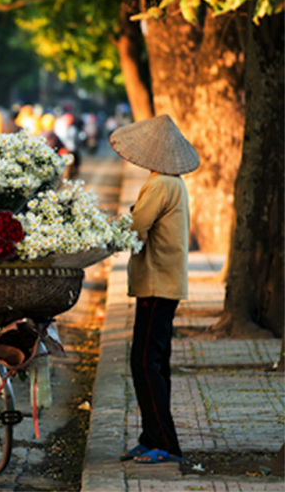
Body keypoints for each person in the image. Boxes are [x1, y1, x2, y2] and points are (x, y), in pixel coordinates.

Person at [110, 114, 200, 465]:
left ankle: (165, 443)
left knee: (145, 362)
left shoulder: (162, 184)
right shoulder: (169, 181)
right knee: (154, 362)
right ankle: (151, 437)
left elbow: (137, 224)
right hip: (161, 282)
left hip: (158, 284)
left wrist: (107, 232)